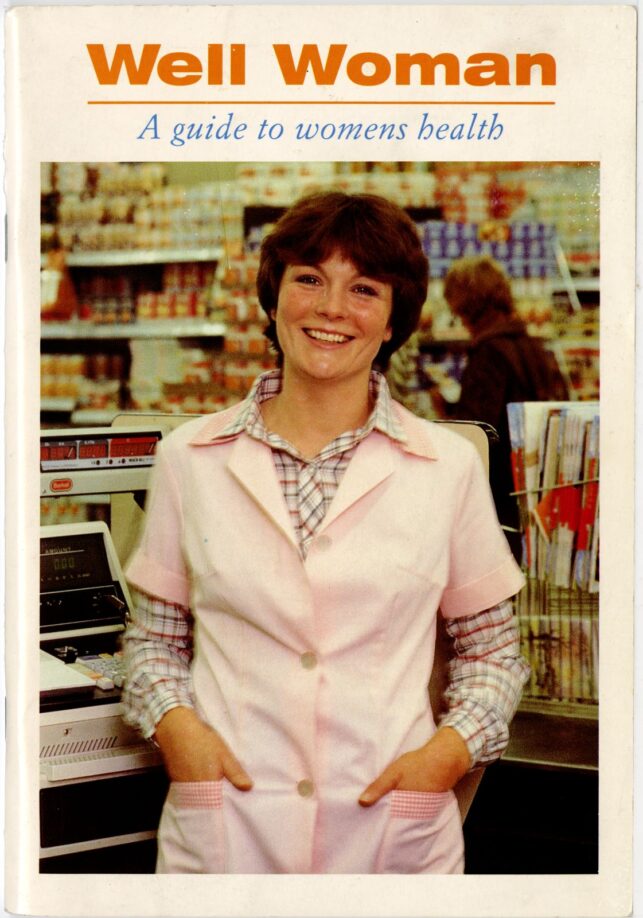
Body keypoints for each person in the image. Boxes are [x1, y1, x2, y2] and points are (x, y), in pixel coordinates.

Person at [122, 192, 529, 875]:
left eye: (363, 288)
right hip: (229, 831)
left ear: (395, 316)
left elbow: (491, 653)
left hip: (386, 836)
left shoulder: (446, 465)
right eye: (309, 278)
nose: (332, 308)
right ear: (272, 295)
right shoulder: (187, 457)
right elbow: (154, 642)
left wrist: (443, 758)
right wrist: (180, 732)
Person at [433, 254, 568, 561]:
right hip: (536, 487)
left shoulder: (489, 353)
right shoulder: (532, 347)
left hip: (501, 497)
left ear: (467, 304)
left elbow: (476, 433)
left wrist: (446, 419)